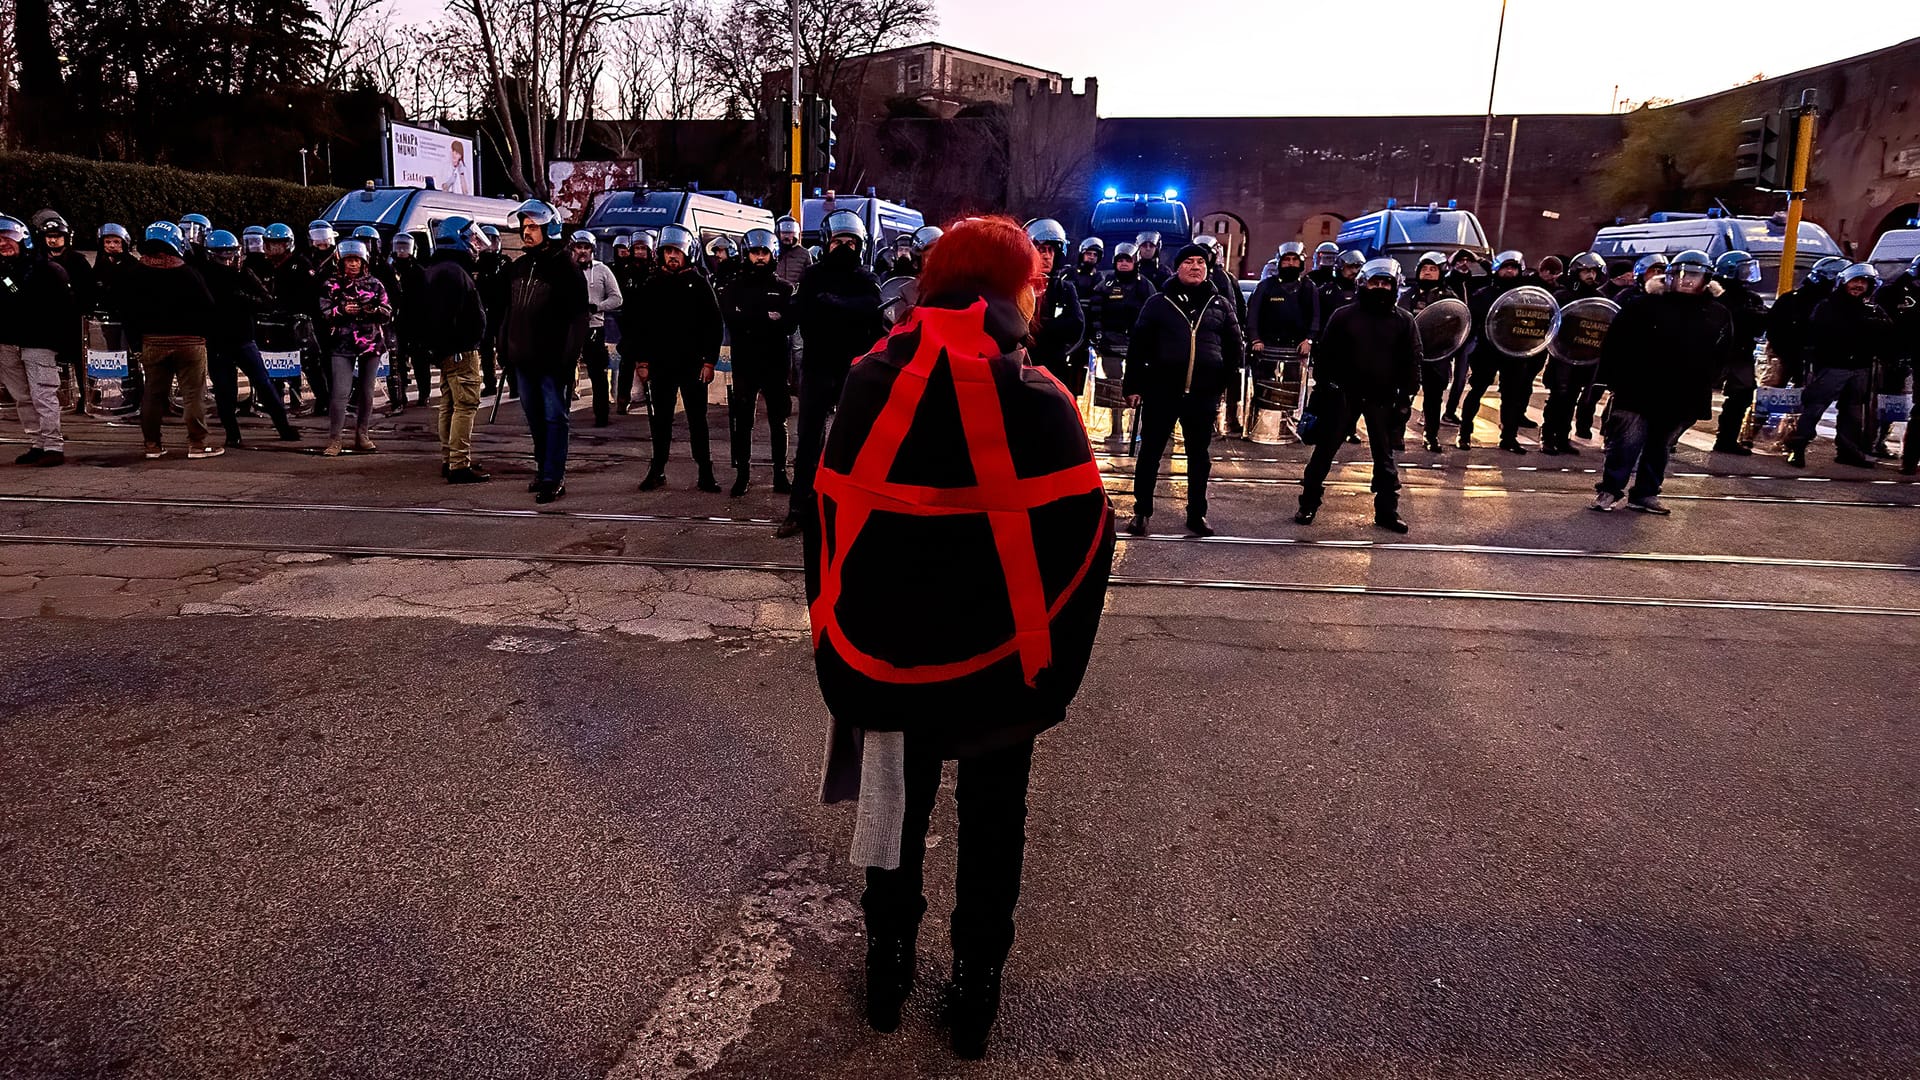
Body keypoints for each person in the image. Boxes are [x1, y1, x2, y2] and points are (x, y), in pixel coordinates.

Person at [807, 214, 1114, 1061]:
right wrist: (1048, 665)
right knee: (992, 824)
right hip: (1001, 671)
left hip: (885, 660)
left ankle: (886, 967)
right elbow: (1087, 540)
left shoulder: (870, 380)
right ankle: (976, 988)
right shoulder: (1040, 395)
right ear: (1015, 288)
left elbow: (826, 517)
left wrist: (837, 644)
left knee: (892, 812)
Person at [1589, 250, 1736, 513]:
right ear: (1669, 277)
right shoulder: (1643, 306)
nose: (1687, 281)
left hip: (1684, 392)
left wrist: (1711, 378)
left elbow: (1723, 350)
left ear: (1706, 279)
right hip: (1638, 388)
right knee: (1625, 443)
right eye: (1682, 275)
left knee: (1660, 447)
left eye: (1694, 275)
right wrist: (1606, 379)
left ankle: (1645, 493)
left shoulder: (1717, 313)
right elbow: (1615, 343)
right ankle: (1610, 489)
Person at [1124, 242, 1242, 537]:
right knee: (1150, 452)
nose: (1195, 267)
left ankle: (1196, 514)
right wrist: (1134, 385)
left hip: (1202, 395)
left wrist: (1223, 387)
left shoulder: (1220, 304)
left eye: (1200, 263)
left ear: (1207, 268)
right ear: (1178, 267)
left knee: (1199, 457)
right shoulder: (1158, 303)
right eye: (1189, 262)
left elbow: (1234, 349)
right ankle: (1141, 511)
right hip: (1161, 391)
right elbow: (1138, 347)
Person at [777, 209, 883, 538]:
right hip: (818, 365)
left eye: (851, 242)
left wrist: (837, 303)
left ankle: (854, 508)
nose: (845, 247)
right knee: (809, 440)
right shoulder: (813, 277)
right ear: (827, 242)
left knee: (856, 441)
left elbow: (874, 313)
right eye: (839, 241)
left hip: (853, 369)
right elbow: (799, 313)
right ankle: (798, 509)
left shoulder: (865, 279)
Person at [1295, 258, 1420, 532]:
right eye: (1375, 282)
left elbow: (1412, 360)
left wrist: (1405, 397)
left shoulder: (1404, 321)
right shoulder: (1343, 315)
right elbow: (1325, 355)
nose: (1380, 287)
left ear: (1395, 286)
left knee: (1385, 459)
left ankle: (1387, 511)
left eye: (1386, 283)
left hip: (1382, 397)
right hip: (1343, 394)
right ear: (1364, 283)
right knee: (1324, 453)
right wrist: (1325, 388)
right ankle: (1308, 503)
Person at [498, 200, 590, 503]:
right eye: (524, 226)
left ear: (549, 228)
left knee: (555, 418)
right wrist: (504, 348)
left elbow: (578, 320)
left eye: (533, 226)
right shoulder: (518, 267)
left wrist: (568, 360)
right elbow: (508, 310)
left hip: (552, 361)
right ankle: (543, 469)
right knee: (535, 418)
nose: (527, 231)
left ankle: (553, 476)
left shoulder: (566, 268)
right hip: (522, 359)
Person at [633, 224, 723, 493]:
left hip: (693, 364)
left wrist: (709, 361)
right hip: (661, 365)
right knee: (660, 420)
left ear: (687, 253)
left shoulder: (699, 283)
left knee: (698, 419)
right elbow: (641, 326)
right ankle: (657, 469)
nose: (672, 256)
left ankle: (705, 472)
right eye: (667, 251)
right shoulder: (652, 284)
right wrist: (642, 361)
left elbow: (713, 325)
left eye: (677, 251)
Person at [121, 222, 221, 460]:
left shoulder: (135, 273)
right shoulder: (187, 272)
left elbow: (127, 311)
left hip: (152, 342)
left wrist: (136, 344)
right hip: (189, 342)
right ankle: (197, 444)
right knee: (192, 395)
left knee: (153, 395)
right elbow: (209, 306)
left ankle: (152, 445)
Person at [1787, 262, 1891, 469]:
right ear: (1844, 282)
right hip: (1833, 366)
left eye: (1864, 282)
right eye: (1855, 281)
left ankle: (1848, 451)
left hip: (1860, 367)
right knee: (1815, 408)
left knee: (1853, 412)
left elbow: (1888, 332)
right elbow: (1821, 332)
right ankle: (1797, 448)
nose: (1859, 286)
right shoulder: (1828, 305)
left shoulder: (1872, 309)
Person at [202, 229, 300, 447]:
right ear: (211, 255)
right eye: (222, 255)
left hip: (242, 337)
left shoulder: (243, 273)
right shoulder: (205, 275)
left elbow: (267, 301)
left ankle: (283, 426)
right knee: (225, 390)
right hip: (219, 339)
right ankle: (232, 433)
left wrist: (243, 299)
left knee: (263, 384)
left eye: (231, 253)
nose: (227, 259)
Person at [722, 227, 795, 496]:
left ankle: (780, 473)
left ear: (772, 253)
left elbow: (788, 324)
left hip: (775, 365)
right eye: (755, 252)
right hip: (745, 364)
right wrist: (767, 318)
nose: (760, 257)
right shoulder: (734, 288)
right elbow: (733, 320)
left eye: (764, 252)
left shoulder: (784, 288)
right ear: (747, 254)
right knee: (743, 421)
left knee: (779, 420)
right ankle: (743, 474)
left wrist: (754, 318)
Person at [420, 217, 491, 484]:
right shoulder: (453, 272)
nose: (474, 244)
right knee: (465, 405)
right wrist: (463, 343)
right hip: (461, 350)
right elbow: (449, 316)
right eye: (471, 238)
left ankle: (450, 458)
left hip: (449, 351)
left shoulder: (438, 268)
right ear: (458, 238)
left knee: (449, 404)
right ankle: (459, 464)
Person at [0, 213, 73, 465]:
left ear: (22, 239)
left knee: (43, 395)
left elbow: (63, 310)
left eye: (7, 237)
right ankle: (37, 442)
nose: (2, 243)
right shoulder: (5, 271)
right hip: (8, 343)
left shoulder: (47, 270)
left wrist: (63, 345)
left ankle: (53, 445)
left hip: (39, 342)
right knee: (22, 397)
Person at [318, 237, 392, 457]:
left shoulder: (376, 284)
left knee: (367, 392)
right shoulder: (331, 284)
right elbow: (323, 313)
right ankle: (335, 439)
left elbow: (387, 311)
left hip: (370, 343)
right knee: (340, 392)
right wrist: (341, 311)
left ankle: (362, 434)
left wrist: (370, 310)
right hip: (342, 343)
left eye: (356, 260)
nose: (352, 264)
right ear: (341, 261)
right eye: (349, 260)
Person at [1456, 250, 1533, 453]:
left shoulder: (1526, 297)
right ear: (1497, 269)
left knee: (1512, 396)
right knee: (1477, 391)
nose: (1509, 271)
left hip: (1514, 352)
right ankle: (1464, 433)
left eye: (1513, 268)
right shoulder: (1483, 294)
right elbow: (1471, 321)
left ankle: (1509, 437)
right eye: (1506, 267)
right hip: (1487, 350)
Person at [1539, 251, 1609, 455]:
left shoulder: (1599, 299)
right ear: (1576, 272)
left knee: (1572, 399)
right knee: (1557, 397)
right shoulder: (1563, 296)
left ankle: (1562, 437)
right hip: (1563, 356)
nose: (1591, 276)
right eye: (1586, 271)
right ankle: (1548, 437)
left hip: (1585, 357)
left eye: (1594, 272)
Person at [1090, 241, 1156, 449]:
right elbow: (1095, 312)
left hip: (1138, 345)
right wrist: (1099, 335)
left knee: (1139, 387)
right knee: (1112, 388)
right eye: (1120, 260)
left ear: (1135, 261)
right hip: (1111, 345)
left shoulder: (1145, 285)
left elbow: (1154, 314)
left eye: (1128, 260)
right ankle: (1116, 429)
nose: (1124, 264)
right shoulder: (1105, 284)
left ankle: (1138, 428)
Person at [251, 222, 320, 415]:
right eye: (269, 243)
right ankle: (276, 401)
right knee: (275, 361)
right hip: (274, 323)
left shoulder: (300, 264)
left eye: (276, 244)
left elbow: (311, 294)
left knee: (302, 362)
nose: (271, 248)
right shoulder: (266, 267)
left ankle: (306, 400)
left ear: (287, 244)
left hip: (297, 323)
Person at [31, 211, 93, 414]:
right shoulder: (36, 261)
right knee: (47, 364)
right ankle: (52, 400)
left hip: (73, 320)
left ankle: (85, 399)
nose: (53, 240)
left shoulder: (78, 261)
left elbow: (88, 291)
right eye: (49, 237)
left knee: (80, 362)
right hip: (46, 320)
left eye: (57, 236)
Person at [1399, 251, 1461, 453]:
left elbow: (1458, 325)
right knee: (1404, 397)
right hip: (1411, 356)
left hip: (1437, 356)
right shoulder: (1409, 295)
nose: (1427, 273)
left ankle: (1431, 435)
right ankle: (1397, 434)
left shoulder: (1449, 297)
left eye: (1432, 269)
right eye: (1424, 269)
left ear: (1441, 272)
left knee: (1433, 399)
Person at [1709, 250, 1767, 456]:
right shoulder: (1714, 295)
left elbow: (1763, 323)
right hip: (1713, 353)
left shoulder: (1751, 298)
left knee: (1742, 395)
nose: (1749, 274)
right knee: (1689, 395)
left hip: (1741, 353)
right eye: (1744, 269)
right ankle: (1668, 438)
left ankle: (1726, 439)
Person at [1023, 219, 1087, 392]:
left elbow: (1076, 325)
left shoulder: (1064, 288)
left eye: (1051, 250)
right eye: (1041, 249)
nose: (1046, 256)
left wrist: (1039, 327)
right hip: (1021, 367)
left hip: (1054, 369)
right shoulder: (1017, 287)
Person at [571, 230, 624, 427]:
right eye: (579, 247)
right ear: (573, 249)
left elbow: (617, 298)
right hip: (569, 327)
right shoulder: (565, 269)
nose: (583, 251)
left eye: (586, 248)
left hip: (594, 326)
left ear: (592, 250)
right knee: (565, 370)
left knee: (597, 373)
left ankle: (601, 415)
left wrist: (598, 306)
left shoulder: (601, 270)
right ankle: (560, 414)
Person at [1876, 255, 1920, 474]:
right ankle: (1879, 441)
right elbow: (1885, 323)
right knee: (1887, 399)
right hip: (1894, 354)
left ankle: (1909, 459)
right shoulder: (1893, 292)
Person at [476, 224, 512, 399]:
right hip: (484, 312)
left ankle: (514, 384)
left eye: (493, 240)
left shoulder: (505, 262)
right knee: (486, 351)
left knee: (505, 350)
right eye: (487, 240)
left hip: (502, 312)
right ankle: (490, 384)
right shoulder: (477, 263)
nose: (490, 244)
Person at [774, 216, 811, 287]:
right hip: (776, 294)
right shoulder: (773, 251)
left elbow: (810, 277)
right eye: (784, 233)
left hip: (796, 295)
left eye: (791, 233)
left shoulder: (804, 253)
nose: (787, 236)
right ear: (778, 233)